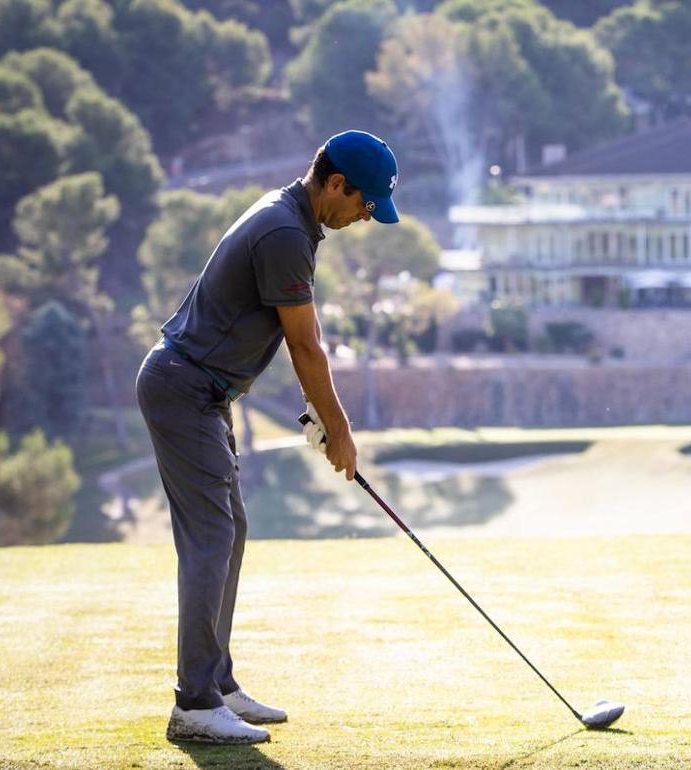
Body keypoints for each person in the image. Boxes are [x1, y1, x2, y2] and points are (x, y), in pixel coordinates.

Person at [136, 130, 401, 745]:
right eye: (364, 204)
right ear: (335, 184)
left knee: (231, 531)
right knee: (212, 537)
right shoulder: (285, 233)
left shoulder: (292, 221)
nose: (365, 217)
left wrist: (316, 415)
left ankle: (219, 685)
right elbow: (305, 345)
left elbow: (284, 341)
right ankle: (195, 702)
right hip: (184, 388)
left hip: (202, 390)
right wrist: (339, 429)